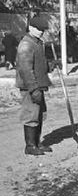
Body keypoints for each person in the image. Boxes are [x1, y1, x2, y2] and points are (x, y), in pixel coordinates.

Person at [15, 16, 54, 156]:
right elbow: (25, 70)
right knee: (31, 114)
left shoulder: (37, 42)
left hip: (39, 85)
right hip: (30, 87)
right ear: (31, 28)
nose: (41, 32)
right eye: (39, 29)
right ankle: (30, 146)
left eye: (43, 30)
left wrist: (51, 65)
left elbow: (39, 64)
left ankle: (37, 143)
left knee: (39, 114)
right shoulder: (26, 45)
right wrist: (34, 89)